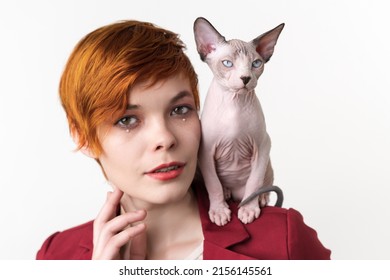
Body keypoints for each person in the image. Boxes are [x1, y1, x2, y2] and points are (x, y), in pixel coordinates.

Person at [36, 20, 331, 260]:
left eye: (180, 110)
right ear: (83, 138)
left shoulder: (285, 241)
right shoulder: (57, 257)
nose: (164, 138)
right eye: (127, 119)